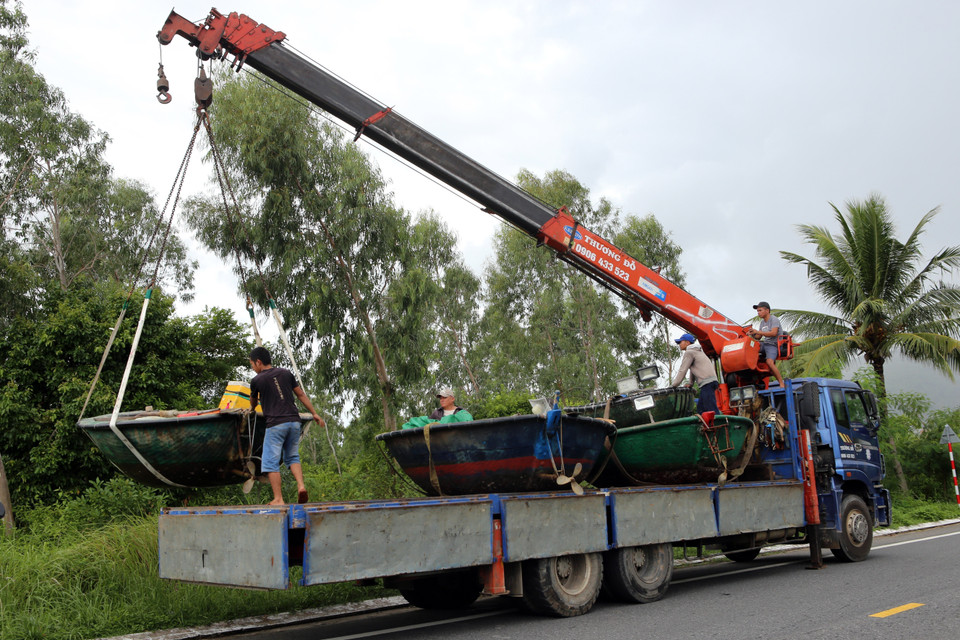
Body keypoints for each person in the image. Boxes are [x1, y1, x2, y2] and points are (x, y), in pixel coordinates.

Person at [248, 346, 324, 506]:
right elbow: (301, 394)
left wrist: (252, 409)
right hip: (294, 423)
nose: (253, 368)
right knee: (292, 456)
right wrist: (314, 413)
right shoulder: (286, 373)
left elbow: (253, 403)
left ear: (258, 362)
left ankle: (278, 499)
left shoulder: (256, 381)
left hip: (276, 424)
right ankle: (301, 486)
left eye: (252, 365)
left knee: (269, 462)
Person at [670, 333, 719, 415]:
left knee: (711, 409)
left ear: (687, 342)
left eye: (680, 342)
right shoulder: (698, 351)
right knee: (701, 410)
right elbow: (693, 368)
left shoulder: (689, 352)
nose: (679, 344)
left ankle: (719, 425)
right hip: (711, 381)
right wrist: (691, 383)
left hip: (707, 383)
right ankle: (707, 427)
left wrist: (674, 385)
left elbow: (683, 370)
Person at [746, 301, 785, 387]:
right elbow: (758, 337)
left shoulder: (774, 319)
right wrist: (752, 333)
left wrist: (758, 331)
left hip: (774, 344)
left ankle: (781, 383)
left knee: (769, 362)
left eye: (760, 310)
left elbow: (774, 333)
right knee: (750, 349)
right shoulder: (762, 323)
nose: (758, 313)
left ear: (767, 310)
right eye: (758, 311)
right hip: (765, 344)